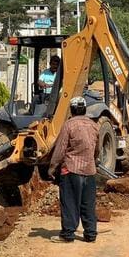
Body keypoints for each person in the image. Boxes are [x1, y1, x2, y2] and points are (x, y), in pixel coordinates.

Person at [48, 96, 99, 243]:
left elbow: (60, 149)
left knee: (69, 203)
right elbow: (97, 150)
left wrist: (52, 167)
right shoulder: (94, 125)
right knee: (88, 204)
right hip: (90, 171)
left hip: (71, 170)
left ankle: (68, 234)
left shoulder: (69, 125)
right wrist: (91, 161)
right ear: (84, 109)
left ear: (71, 110)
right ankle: (90, 234)